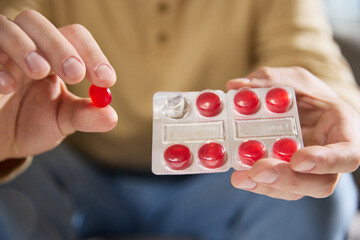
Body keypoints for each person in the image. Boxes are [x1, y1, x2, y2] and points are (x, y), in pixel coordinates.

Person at [0, 0, 359, 239]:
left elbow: (309, 53)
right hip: (72, 176)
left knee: (317, 187)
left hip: (217, 185)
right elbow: (13, 21)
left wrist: (332, 107)